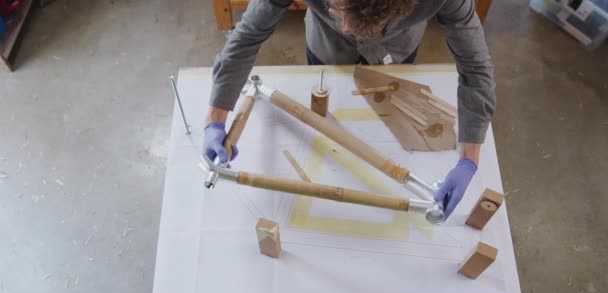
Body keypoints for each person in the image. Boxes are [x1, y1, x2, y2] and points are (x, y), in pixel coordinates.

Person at [203, 0, 495, 220]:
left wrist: (469, 159)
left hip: (396, 49)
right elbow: (248, 34)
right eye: (337, 7)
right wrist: (216, 119)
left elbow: (475, 65)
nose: (345, 27)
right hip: (326, 47)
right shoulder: (335, 25)